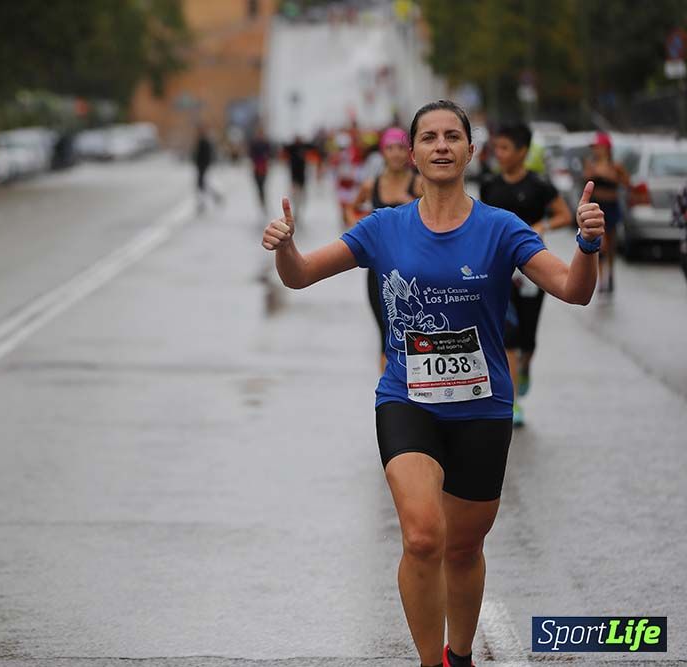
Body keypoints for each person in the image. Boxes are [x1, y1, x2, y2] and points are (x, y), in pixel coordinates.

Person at [261, 100, 604, 667]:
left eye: (452, 136)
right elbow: (299, 276)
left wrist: (588, 247)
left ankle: (460, 655)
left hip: (482, 406)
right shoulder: (383, 227)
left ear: (470, 151)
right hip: (407, 400)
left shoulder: (502, 228)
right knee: (423, 537)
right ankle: (430, 662)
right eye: (429, 137)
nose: (441, 145)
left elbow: (574, 289)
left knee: (463, 548)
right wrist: (287, 247)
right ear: (413, 153)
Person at [479, 124, 572, 427]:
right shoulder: (490, 185)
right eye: (497, 147)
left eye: (505, 148)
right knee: (507, 334)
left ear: (522, 151)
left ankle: (525, 365)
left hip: (532, 267)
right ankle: (513, 401)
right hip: (498, 269)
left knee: (528, 339)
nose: (499, 154)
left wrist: (543, 226)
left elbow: (564, 215)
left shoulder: (539, 185)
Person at [350, 126, 423, 374]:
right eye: (390, 148)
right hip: (379, 268)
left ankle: (417, 382)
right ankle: (389, 387)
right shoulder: (372, 185)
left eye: (401, 148)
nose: (396, 154)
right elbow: (352, 207)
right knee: (386, 331)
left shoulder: (419, 184)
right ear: (383, 152)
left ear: (410, 152)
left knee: (415, 328)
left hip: (414, 268)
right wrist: (359, 227)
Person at [583, 132, 628, 292]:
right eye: (594, 148)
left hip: (612, 207)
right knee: (600, 243)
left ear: (607, 148)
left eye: (599, 147)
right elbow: (586, 178)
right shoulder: (590, 164)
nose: (596, 150)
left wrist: (610, 175)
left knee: (611, 244)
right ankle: (601, 279)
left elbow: (626, 182)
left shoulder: (615, 166)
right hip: (598, 206)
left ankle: (611, 275)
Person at [192, 124, 222, 213]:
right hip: (201, 167)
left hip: (202, 167)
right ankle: (213, 198)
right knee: (202, 185)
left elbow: (205, 156)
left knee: (201, 185)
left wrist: (203, 165)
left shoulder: (204, 142)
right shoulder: (201, 141)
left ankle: (203, 203)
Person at [283, 135, 313, 211]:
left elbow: (312, 147)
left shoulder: (303, 148)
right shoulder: (292, 148)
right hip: (294, 176)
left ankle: (299, 207)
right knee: (295, 194)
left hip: (301, 176)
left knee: (300, 194)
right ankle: (296, 207)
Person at [248, 126, 272, 214]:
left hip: (263, 167)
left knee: (262, 185)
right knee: (259, 186)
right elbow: (251, 154)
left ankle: (263, 200)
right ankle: (261, 200)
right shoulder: (254, 143)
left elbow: (270, 154)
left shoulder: (266, 143)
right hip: (257, 167)